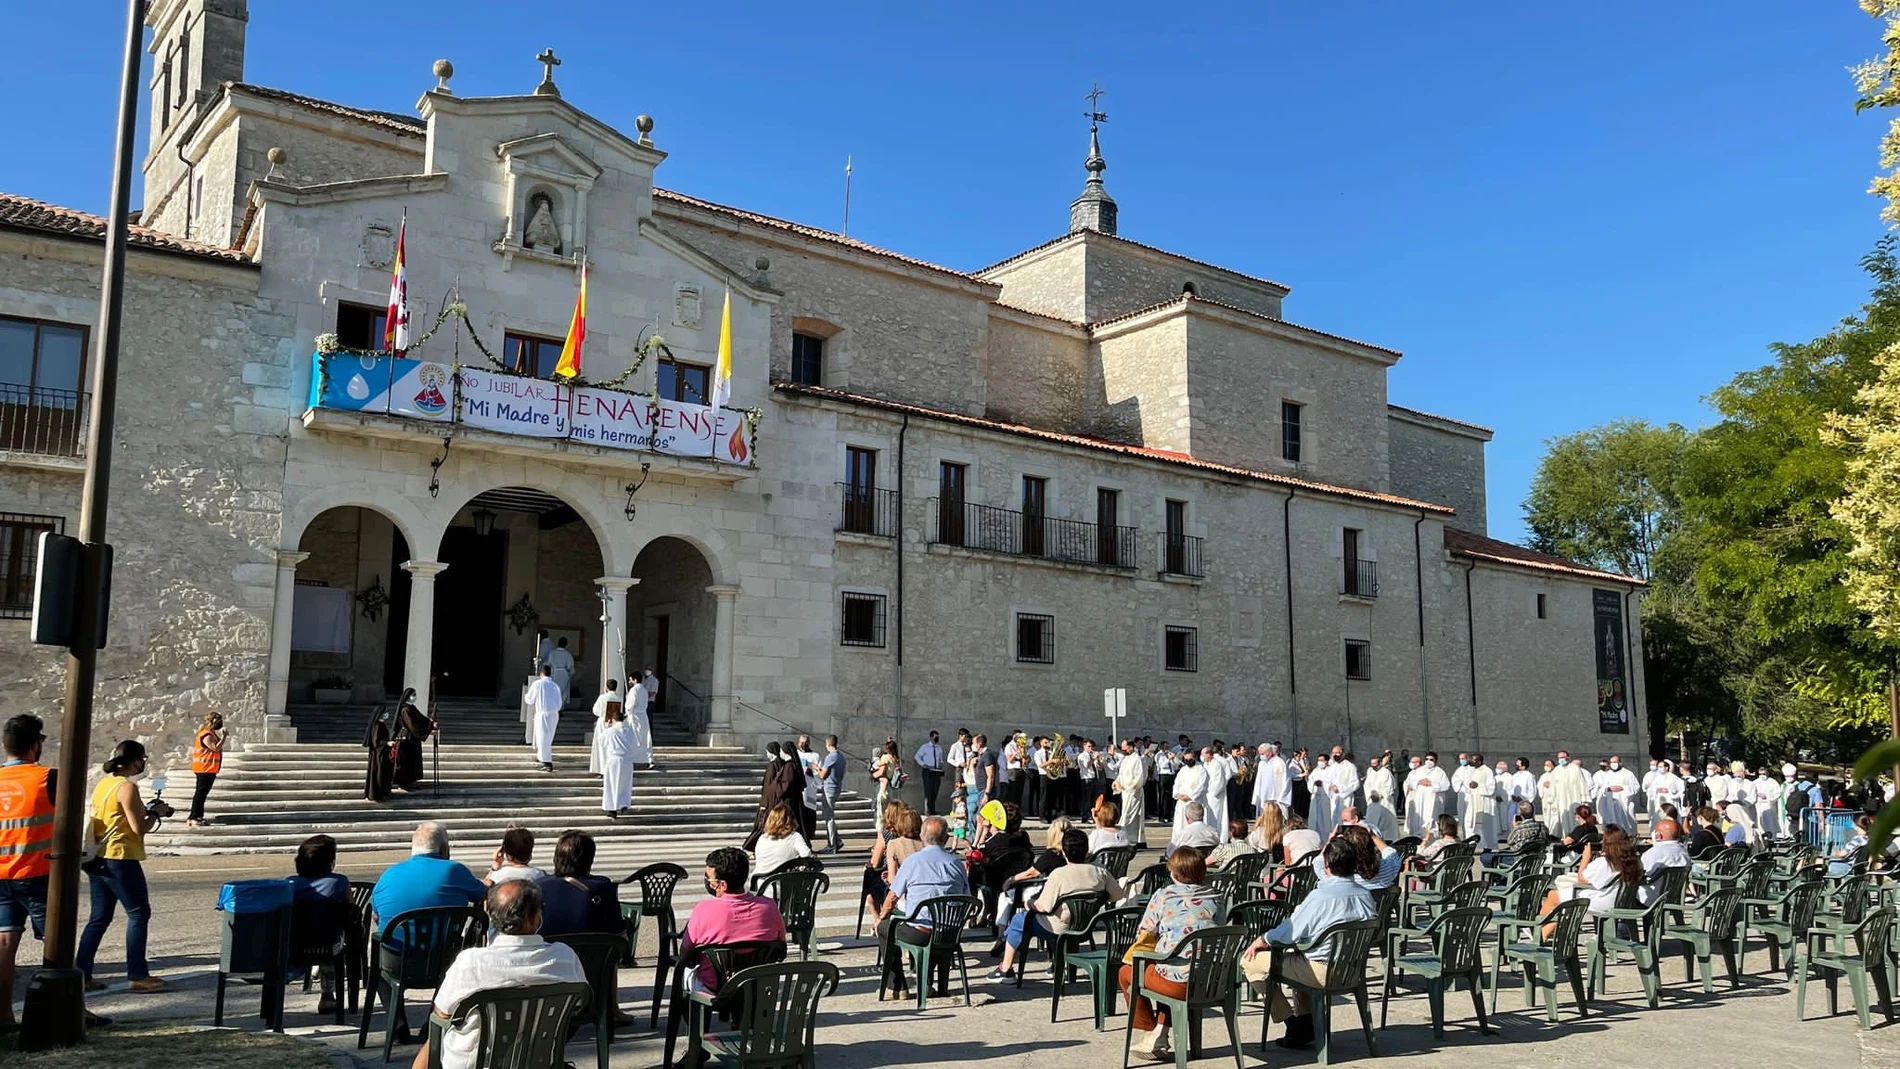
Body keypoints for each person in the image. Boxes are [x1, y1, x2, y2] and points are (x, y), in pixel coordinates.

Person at [408, 880, 586, 1069]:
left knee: (438, 1030)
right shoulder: (564, 958)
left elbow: (442, 1014)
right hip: (538, 1061)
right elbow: (578, 1007)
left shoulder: (470, 963)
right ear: (534, 916)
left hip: (473, 1064)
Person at [1243, 830, 1380, 1050]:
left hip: (1321, 970)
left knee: (1250, 961)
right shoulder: (1365, 895)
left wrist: (1262, 940)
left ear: (1327, 865)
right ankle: (1305, 1024)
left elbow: (1289, 932)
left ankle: (1291, 1022)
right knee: (1300, 958)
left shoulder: (1320, 897)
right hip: (1351, 969)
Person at [75, 740, 171, 993]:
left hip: (98, 857)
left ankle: (81, 974)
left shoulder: (104, 784)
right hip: (121, 855)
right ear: (136, 760)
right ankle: (138, 975)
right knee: (139, 914)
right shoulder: (127, 787)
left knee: (99, 918)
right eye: (142, 759)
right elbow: (139, 827)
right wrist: (156, 813)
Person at [1120, 845, 1226, 1060]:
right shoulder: (1217, 897)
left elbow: (1146, 931)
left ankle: (1151, 1031)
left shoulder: (1164, 895)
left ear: (1174, 873)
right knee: (1168, 966)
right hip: (1210, 979)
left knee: (1127, 973)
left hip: (1178, 982)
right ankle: (1160, 1030)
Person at [988, 827, 1115, 982]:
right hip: (1086, 925)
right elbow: (1116, 895)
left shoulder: (1058, 875)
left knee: (1018, 920)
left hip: (1058, 927)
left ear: (1064, 852)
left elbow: (1043, 907)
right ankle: (1056, 964)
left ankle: (1006, 968)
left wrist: (1028, 903)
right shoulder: (1100, 872)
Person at [0, 714, 57, 1030]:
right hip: (36, 871)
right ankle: (70, 1009)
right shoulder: (48, 778)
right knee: (56, 942)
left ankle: (3, 1015)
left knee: (5, 945)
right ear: (36, 745)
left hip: (1, 875)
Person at [874, 816, 968, 997]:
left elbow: (892, 897)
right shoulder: (957, 864)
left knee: (885, 928)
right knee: (933, 926)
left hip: (921, 933)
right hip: (949, 932)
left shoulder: (913, 862)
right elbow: (967, 898)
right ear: (946, 838)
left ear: (922, 836)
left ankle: (898, 986)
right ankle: (929, 983)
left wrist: (882, 917)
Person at [371, 823, 486, 943]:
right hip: (444, 955)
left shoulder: (389, 874)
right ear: (444, 849)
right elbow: (481, 893)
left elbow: (377, 916)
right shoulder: (454, 871)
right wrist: (493, 871)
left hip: (394, 956)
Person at [534, 831, 622, 938]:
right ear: (589, 859)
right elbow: (618, 933)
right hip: (593, 953)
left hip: (547, 953)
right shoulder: (603, 887)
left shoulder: (537, 887)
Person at [743, 742, 803, 852]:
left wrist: (766, 801)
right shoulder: (784, 764)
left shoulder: (783, 766)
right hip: (781, 801)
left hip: (779, 802)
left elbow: (774, 786)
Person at [595, 683, 636, 818]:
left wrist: (606, 728)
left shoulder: (611, 731)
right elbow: (634, 743)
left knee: (612, 784)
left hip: (614, 759)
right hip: (627, 760)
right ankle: (624, 804)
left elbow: (601, 742)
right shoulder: (629, 731)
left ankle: (612, 809)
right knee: (624, 783)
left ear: (612, 720)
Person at [754, 802, 814, 878]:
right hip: (783, 883)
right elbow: (806, 854)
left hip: (760, 882)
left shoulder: (762, 839)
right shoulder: (794, 837)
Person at [187, 712, 225, 826]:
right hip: (204, 768)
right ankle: (193, 817)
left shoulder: (211, 734)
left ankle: (198, 816)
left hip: (209, 768)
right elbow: (215, 748)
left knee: (202, 794)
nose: (220, 724)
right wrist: (224, 736)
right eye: (218, 721)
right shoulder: (206, 734)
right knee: (200, 794)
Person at [392, 689, 434, 791]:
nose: (414, 697)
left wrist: (430, 723)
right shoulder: (405, 710)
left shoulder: (412, 708)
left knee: (413, 761)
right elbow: (413, 725)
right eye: (413, 695)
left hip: (413, 741)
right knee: (406, 762)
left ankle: (412, 781)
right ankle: (404, 783)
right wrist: (427, 729)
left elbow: (421, 719)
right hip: (406, 741)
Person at [1454, 753, 1499, 849]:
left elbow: (1492, 788)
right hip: (1473, 802)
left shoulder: (1487, 771)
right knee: (1469, 822)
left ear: (1479, 761)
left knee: (1485, 825)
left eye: (1473, 759)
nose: (1470, 761)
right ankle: (1473, 844)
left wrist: (1478, 786)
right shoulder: (1472, 771)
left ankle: (1488, 846)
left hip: (1485, 803)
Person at [1113, 738, 1149, 848]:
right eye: (1122, 747)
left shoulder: (1136, 759)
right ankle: (1136, 839)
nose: (1123, 749)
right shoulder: (1126, 759)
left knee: (1129, 816)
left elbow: (1139, 776)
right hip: (1125, 792)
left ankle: (1128, 840)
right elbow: (1121, 774)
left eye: (1125, 747)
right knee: (1130, 815)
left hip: (1134, 792)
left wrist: (1130, 787)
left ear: (1131, 747)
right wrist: (1116, 782)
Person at [527, 665, 563, 773]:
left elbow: (529, 699)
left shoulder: (537, 684)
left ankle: (547, 763)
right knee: (548, 737)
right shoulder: (555, 686)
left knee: (542, 738)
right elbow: (559, 702)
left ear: (541, 674)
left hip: (543, 714)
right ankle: (541, 757)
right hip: (554, 714)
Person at [1403, 753, 1448, 838]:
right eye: (1427, 759)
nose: (1429, 761)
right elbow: (1410, 783)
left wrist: (1432, 784)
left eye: (1431, 760)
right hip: (1419, 800)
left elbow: (1446, 785)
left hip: (1432, 801)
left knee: (1431, 819)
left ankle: (1431, 839)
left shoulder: (1440, 772)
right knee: (1419, 819)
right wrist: (1419, 782)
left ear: (1436, 761)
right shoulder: (1419, 770)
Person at [816, 735, 846, 854]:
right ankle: (837, 841)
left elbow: (823, 775)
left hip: (829, 788)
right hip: (837, 787)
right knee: (829, 815)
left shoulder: (830, 757)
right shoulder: (842, 757)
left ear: (828, 744)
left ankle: (832, 844)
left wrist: (816, 768)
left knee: (829, 817)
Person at [1171, 749, 1208, 844]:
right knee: (1180, 825)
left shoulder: (1201, 770)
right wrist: (1177, 794)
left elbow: (1202, 786)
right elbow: (1176, 784)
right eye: (1186, 759)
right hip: (1181, 802)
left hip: (1194, 802)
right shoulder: (1183, 770)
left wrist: (1190, 796)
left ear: (1194, 757)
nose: (1188, 761)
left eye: (1190, 759)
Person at [1595, 756, 1639, 832]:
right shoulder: (1607, 775)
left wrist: (1623, 788)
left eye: (1615, 762)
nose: (1613, 764)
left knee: (1627, 821)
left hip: (1624, 803)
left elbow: (1635, 787)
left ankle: (1630, 836)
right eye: (1611, 762)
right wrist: (1608, 788)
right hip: (1610, 803)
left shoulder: (1628, 774)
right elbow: (1603, 788)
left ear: (1620, 763)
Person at [364, 704, 395, 802]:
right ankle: (377, 794)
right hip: (378, 755)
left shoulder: (380, 724)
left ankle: (383, 792)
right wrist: (387, 743)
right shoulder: (377, 725)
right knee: (378, 774)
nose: (387, 714)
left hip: (382, 753)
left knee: (383, 773)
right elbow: (376, 742)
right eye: (385, 712)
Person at [1362, 757, 1398, 840]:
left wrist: (1380, 795)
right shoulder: (1370, 772)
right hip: (1372, 802)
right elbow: (1366, 786)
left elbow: (1389, 787)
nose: (1374, 766)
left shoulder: (1386, 772)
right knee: (1372, 821)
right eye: (1372, 765)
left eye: (1376, 764)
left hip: (1384, 801)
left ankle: (1388, 839)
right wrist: (1370, 796)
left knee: (1385, 822)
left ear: (1380, 763)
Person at [1201, 745, 1232, 843]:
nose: (1202, 757)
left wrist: (1213, 792)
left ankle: (1217, 836)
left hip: (1215, 796)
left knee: (1216, 816)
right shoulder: (1206, 764)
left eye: (1203, 755)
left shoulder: (1216, 765)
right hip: (1207, 795)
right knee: (1207, 816)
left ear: (1209, 754)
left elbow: (1219, 781)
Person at [915, 730, 947, 816]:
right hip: (928, 770)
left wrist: (941, 764)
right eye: (935, 737)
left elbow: (940, 759)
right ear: (931, 737)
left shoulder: (939, 748)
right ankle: (927, 810)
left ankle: (933, 809)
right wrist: (923, 764)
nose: (937, 738)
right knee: (928, 791)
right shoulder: (925, 747)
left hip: (937, 771)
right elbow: (917, 756)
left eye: (938, 737)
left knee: (935, 790)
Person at [872, 738, 901, 830]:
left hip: (883, 788)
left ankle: (881, 837)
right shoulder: (896, 759)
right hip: (891, 788)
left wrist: (873, 774)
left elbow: (881, 772)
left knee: (880, 814)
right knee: (889, 813)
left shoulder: (885, 757)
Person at [546, 637, 576, 710]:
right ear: (566, 645)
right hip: (564, 674)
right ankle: (560, 708)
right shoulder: (568, 654)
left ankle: (553, 707)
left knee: (553, 691)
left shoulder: (552, 653)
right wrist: (569, 675)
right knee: (562, 692)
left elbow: (548, 664)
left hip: (554, 673)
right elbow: (570, 667)